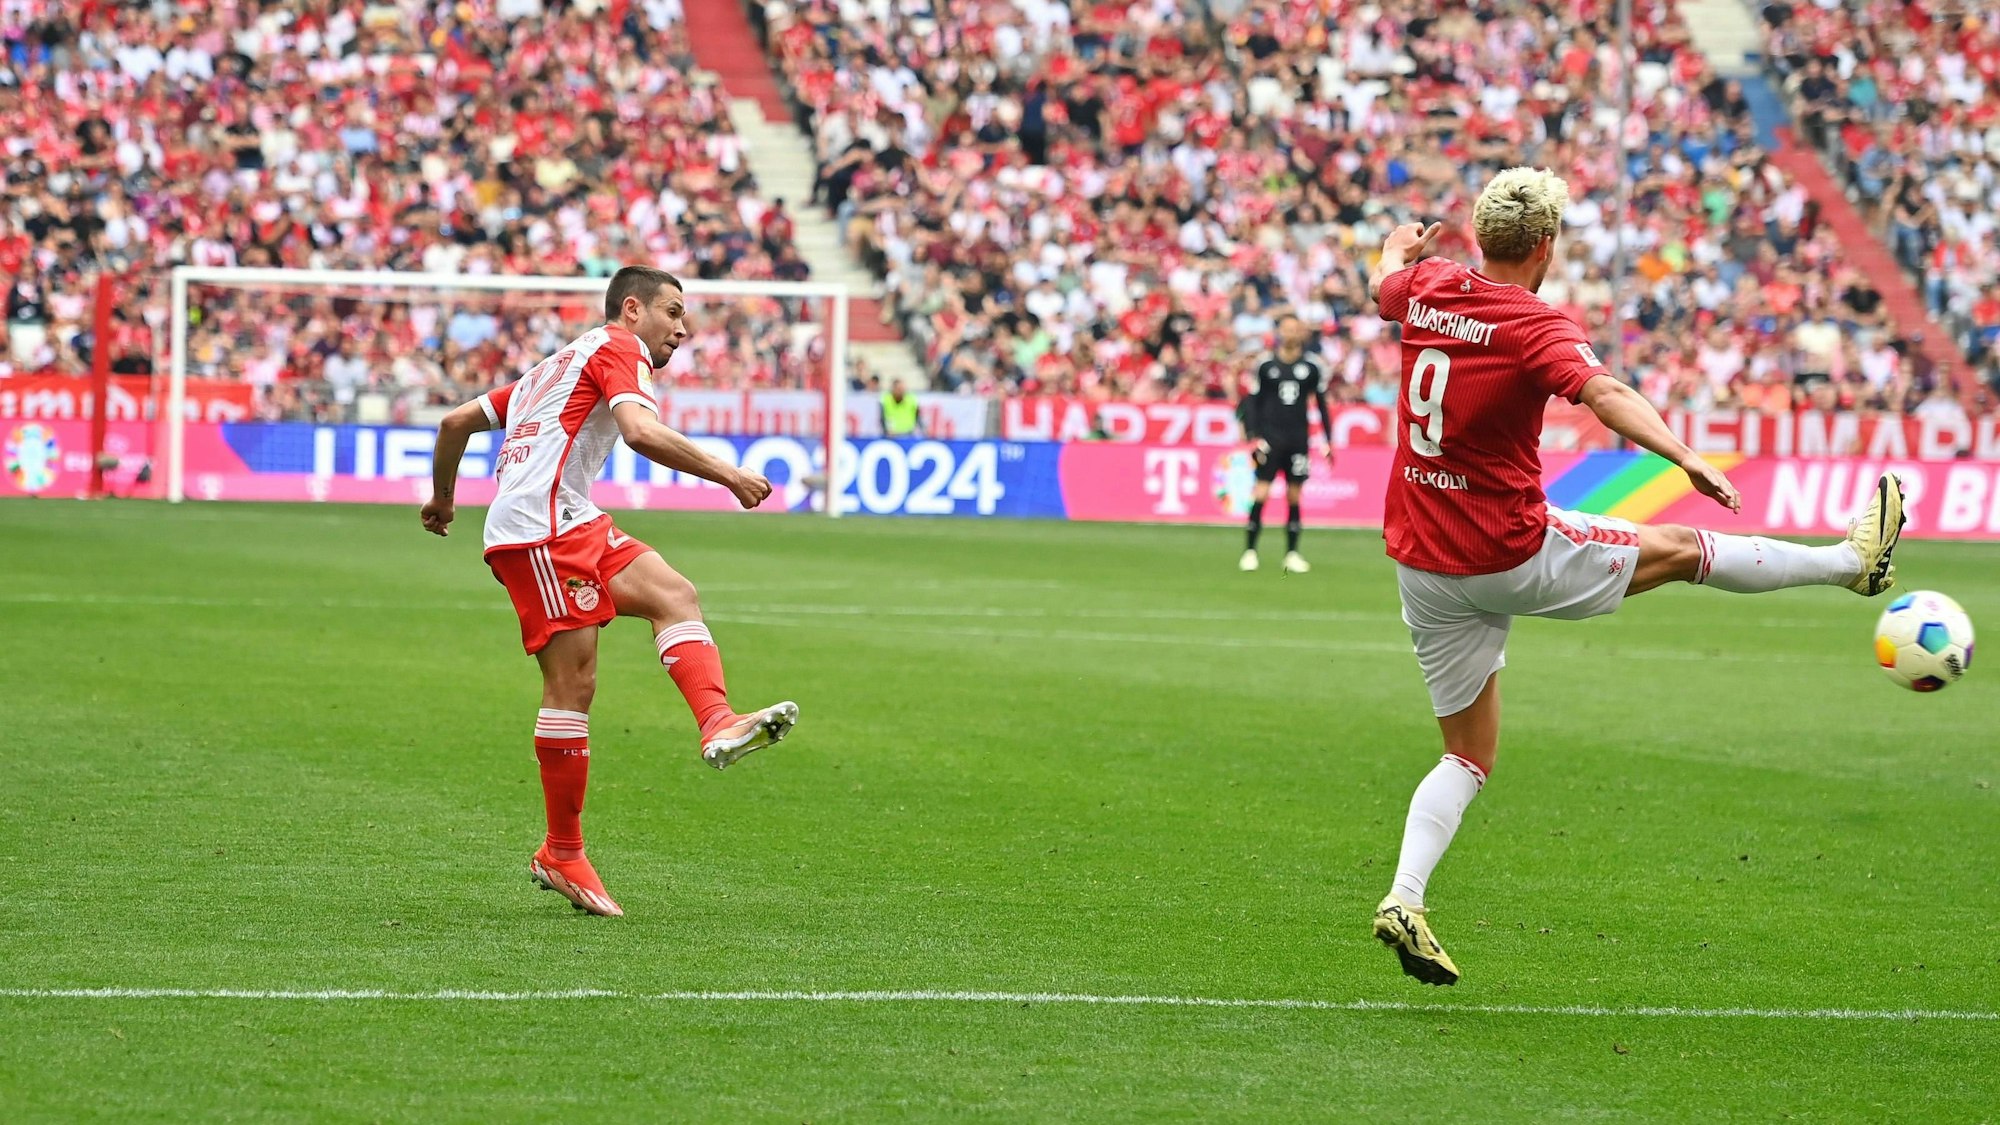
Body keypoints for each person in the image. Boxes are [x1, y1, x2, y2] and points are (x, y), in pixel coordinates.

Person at [1364, 169, 1905, 986]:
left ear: (1479, 239)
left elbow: (1384, 286)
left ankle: (1406, 897)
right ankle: (1853, 565)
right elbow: (1604, 391)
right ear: (1545, 246)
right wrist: (1684, 455)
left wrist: (1394, 247)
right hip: (1509, 550)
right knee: (1688, 548)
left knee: (1467, 756)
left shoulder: (1429, 285)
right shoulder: (1532, 320)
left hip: (1422, 563)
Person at [419, 265, 801, 918]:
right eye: (673, 312)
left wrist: (443, 499)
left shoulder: (558, 363)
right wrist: (729, 475)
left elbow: (455, 422)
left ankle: (718, 722)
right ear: (632, 310)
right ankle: (561, 852)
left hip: (567, 516)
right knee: (573, 684)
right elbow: (640, 431)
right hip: (540, 528)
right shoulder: (618, 348)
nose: (683, 329)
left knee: (673, 593)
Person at [1237, 313, 1335, 573]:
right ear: (1279, 332)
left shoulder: (1313, 367)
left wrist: (1328, 440)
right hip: (1269, 440)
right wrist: (1252, 435)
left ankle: (1291, 554)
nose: (1291, 333)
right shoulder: (1264, 364)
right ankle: (1250, 551)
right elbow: (1252, 402)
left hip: (1297, 439)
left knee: (1294, 495)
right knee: (1261, 492)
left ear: (1302, 333)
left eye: (1296, 329)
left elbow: (1322, 405)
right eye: (1286, 329)